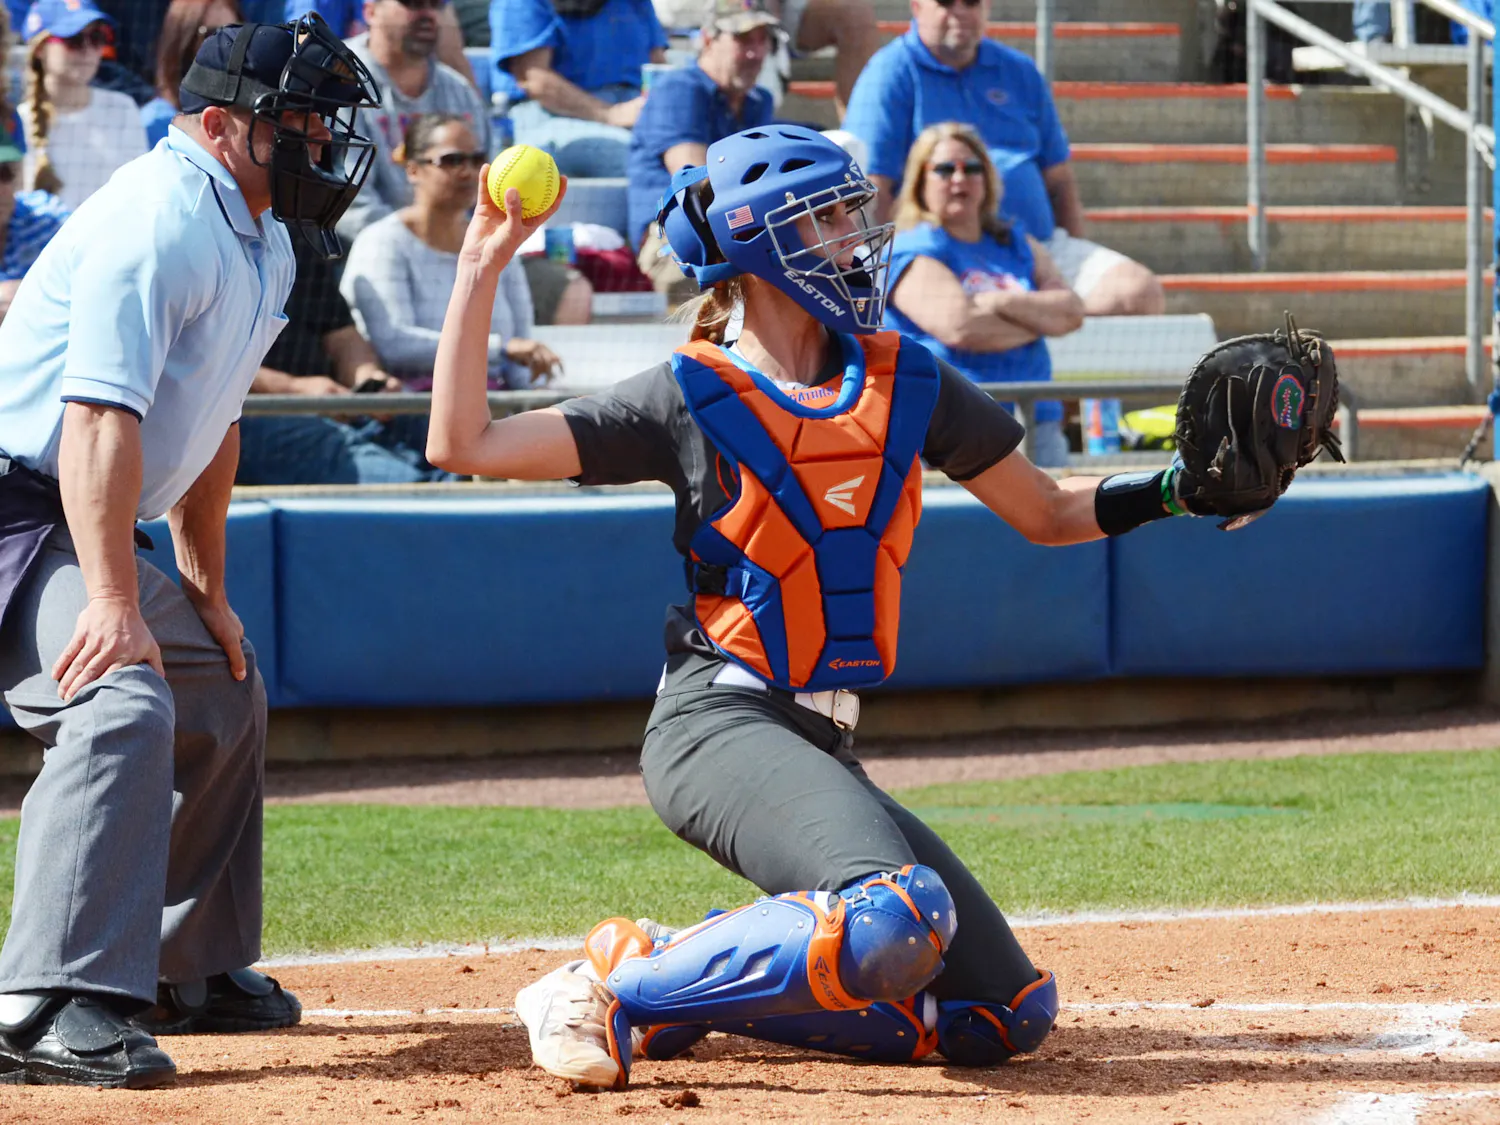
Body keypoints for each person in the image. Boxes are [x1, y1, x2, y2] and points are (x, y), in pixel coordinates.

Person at [426, 124, 1215, 1090]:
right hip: (716, 722)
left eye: (852, 211)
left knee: (998, 1014)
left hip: (819, 740)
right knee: (893, 913)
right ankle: (612, 989)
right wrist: (480, 263)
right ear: (761, 243)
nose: (857, 235)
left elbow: (1048, 512)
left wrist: (1183, 489)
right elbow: (462, 441)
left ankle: (668, 967)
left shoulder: (906, 375)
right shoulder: (688, 392)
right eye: (829, 217)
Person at [0, 15, 377, 1087]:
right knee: (119, 695)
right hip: (18, 502)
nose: (317, 139)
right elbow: (97, 419)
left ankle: (184, 964)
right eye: (295, 119)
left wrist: (202, 587)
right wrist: (118, 600)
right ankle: (37, 1007)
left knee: (220, 682)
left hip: (66, 504)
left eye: (321, 119)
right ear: (221, 125)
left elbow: (213, 421)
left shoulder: (259, 230)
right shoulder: (161, 216)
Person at [842, 0, 1165, 318]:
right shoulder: (888, 73)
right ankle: (1036, 321)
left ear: (987, 8)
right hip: (943, 254)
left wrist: (1068, 257)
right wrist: (883, 272)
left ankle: (1025, 325)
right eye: (945, 2)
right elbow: (871, 191)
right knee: (959, 318)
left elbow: (1059, 180)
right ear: (916, 7)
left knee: (1138, 293)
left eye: (971, 2)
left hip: (1035, 248)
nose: (960, 12)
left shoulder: (1019, 70)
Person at [884, 123, 1082, 468]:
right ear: (920, 181)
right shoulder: (912, 248)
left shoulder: (1015, 241)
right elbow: (962, 327)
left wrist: (1000, 303)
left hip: (1035, 417)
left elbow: (1071, 312)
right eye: (945, 169)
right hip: (951, 425)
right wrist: (1039, 322)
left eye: (971, 168)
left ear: (987, 178)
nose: (959, 179)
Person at [343, 113, 562, 388]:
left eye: (476, 159)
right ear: (412, 169)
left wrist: (527, 407)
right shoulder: (381, 241)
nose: (468, 171)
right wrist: (501, 350)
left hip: (494, 404)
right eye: (452, 160)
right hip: (413, 409)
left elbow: (521, 347)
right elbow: (394, 344)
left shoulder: (496, 242)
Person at [237, 236, 458, 485]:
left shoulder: (288, 238)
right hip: (243, 418)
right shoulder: (201, 243)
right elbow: (198, 358)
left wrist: (368, 378)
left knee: (441, 434)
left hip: (339, 405)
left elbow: (343, 335)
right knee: (401, 482)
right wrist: (293, 389)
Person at [627, 0, 777, 305]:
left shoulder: (758, 101)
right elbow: (698, 188)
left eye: (764, 41)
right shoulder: (679, 88)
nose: (756, 53)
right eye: (743, 40)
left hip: (736, 231)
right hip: (676, 242)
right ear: (708, 40)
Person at [336, 0, 489, 241]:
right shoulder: (337, 80)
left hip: (455, 245)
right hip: (362, 251)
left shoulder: (458, 91)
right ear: (371, 11)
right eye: (414, 2)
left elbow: (489, 184)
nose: (428, 13)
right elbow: (346, 204)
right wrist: (418, 242)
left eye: (436, 4)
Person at [489, 0, 667, 177]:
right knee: (647, 162)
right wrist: (612, 113)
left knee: (682, 149)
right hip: (554, 117)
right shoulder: (519, 3)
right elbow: (534, 80)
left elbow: (657, 65)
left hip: (635, 115)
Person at [18, 0, 149, 210]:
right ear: (40, 48)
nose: (88, 50)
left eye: (97, 38)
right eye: (74, 39)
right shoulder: (19, 122)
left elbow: (140, 195)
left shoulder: (122, 108)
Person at [140, 0, 242, 148]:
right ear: (184, 41)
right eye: (213, 34)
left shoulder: (246, 121)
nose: (227, 46)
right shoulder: (155, 121)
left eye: (236, 33)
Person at [0, 121, 69, 324]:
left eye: (5, 174)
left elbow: (91, 273)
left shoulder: (47, 214)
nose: (2, 189)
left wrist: (27, 292)